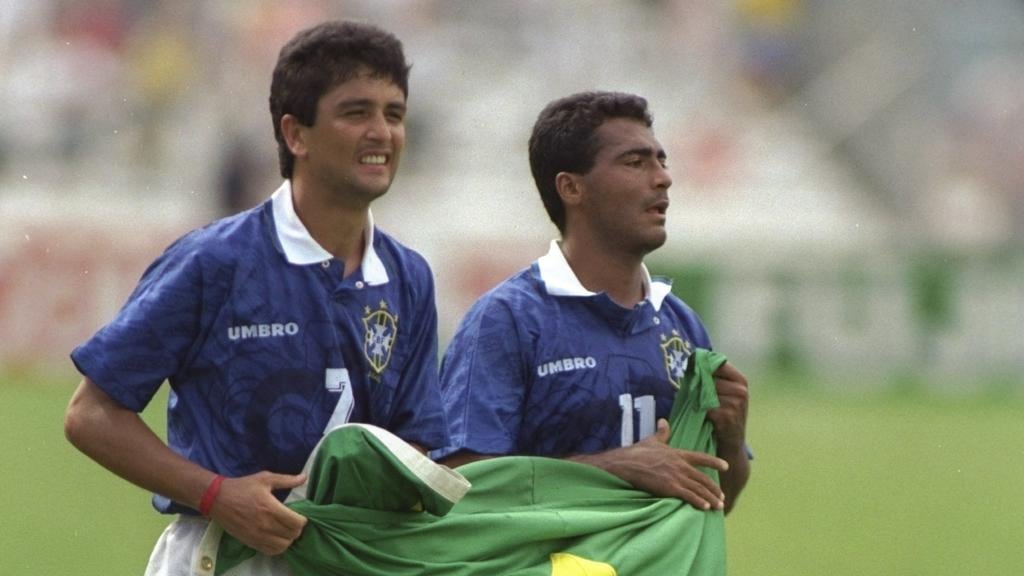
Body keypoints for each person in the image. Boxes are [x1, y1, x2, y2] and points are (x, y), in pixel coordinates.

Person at [63, 20, 448, 575]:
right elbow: (91, 413)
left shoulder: (409, 276)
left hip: (354, 562)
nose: (381, 133)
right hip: (224, 557)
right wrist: (216, 494)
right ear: (296, 134)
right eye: (356, 112)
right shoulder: (215, 262)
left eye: (394, 114)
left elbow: (416, 448)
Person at [435, 91, 751, 514]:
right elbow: (460, 482)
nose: (663, 178)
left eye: (662, 161)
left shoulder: (681, 323)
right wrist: (613, 467)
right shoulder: (509, 318)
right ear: (571, 187)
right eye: (635, 162)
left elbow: (717, 499)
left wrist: (731, 438)